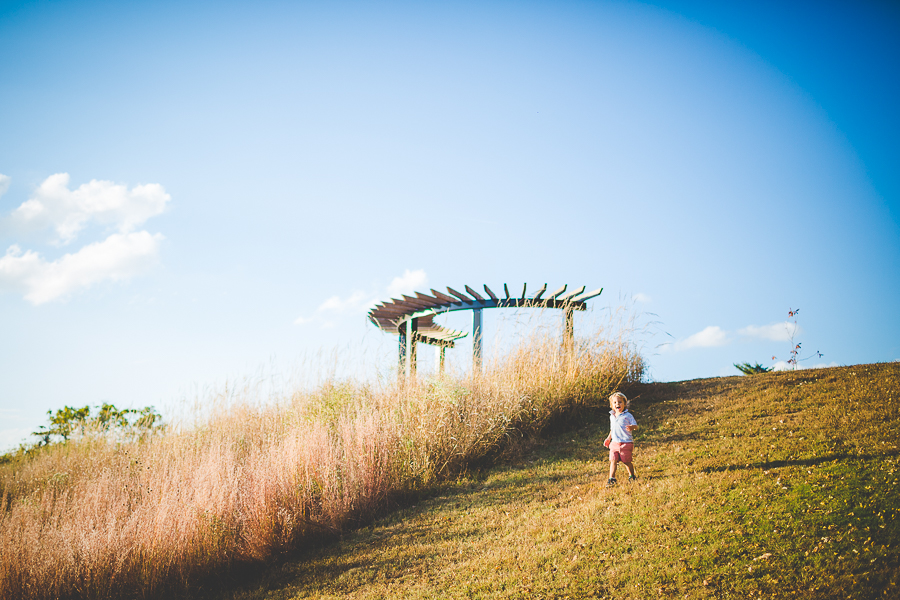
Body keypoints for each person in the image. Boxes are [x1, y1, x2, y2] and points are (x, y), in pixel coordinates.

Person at [603, 391, 637, 486]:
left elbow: (636, 426)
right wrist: (608, 438)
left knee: (626, 461)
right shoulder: (612, 416)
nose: (617, 404)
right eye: (615, 402)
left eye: (620, 402)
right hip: (614, 443)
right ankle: (612, 479)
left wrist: (632, 427)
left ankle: (632, 476)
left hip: (626, 443)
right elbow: (612, 429)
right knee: (613, 460)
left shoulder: (628, 415)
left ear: (625, 404)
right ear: (612, 405)